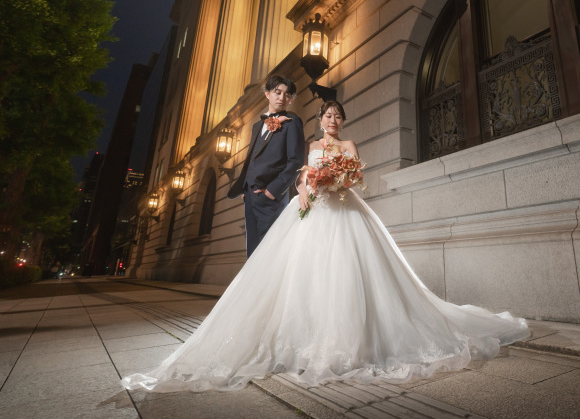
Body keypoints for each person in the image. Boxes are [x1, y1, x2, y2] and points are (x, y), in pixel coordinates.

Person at [121, 100, 530, 392]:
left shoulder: (349, 148)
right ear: (319, 121)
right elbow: (301, 176)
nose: (332, 121)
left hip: (345, 210)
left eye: (337, 116)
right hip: (314, 212)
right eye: (328, 115)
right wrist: (303, 187)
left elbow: (353, 179)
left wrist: (338, 179)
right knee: (305, 274)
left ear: (341, 122)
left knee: (351, 272)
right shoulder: (312, 148)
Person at [227, 75, 305, 258]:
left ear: (291, 99)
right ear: (267, 94)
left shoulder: (292, 123)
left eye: (287, 94)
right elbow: (252, 157)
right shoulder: (257, 126)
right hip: (250, 195)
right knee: (253, 249)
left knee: (270, 250)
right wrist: (245, 187)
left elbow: (296, 161)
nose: (282, 97)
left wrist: (273, 190)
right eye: (277, 92)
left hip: (271, 197)